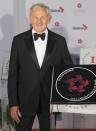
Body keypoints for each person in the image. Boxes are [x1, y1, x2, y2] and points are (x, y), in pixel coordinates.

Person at [7, 3, 73, 131]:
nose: (39, 21)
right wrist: (13, 104)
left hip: (49, 102)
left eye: (42, 17)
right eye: (35, 17)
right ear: (30, 18)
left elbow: (68, 71)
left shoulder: (59, 41)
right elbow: (13, 74)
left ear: (49, 18)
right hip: (23, 102)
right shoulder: (18, 41)